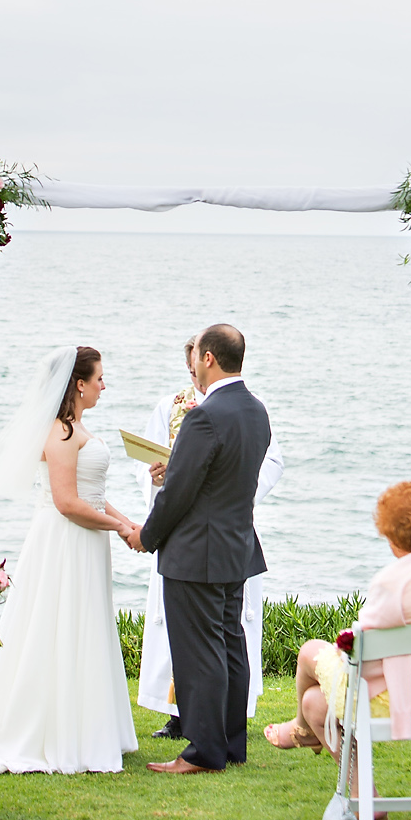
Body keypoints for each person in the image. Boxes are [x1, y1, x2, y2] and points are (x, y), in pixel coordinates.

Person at [265, 479, 411, 819]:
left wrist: (341, 647)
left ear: (392, 537)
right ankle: (367, 800)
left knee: (309, 651)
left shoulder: (395, 580)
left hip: (402, 698)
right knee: (314, 702)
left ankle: (302, 730)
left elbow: (359, 647)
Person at [0, 345, 138, 774]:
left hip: (87, 539)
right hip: (65, 540)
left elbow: (94, 495)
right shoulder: (61, 433)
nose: (105, 385)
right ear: (79, 384)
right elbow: (67, 502)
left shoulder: (77, 428)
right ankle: (48, 730)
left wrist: (127, 523)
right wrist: (118, 528)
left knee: (84, 625)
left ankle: (89, 725)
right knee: (57, 625)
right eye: (99, 378)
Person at [126, 324, 272, 774]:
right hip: (236, 548)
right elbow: (225, 480)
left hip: (196, 554)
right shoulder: (255, 410)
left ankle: (203, 752)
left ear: (207, 357)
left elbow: (179, 492)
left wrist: (145, 536)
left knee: (199, 652)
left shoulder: (204, 416)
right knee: (231, 645)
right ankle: (231, 744)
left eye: (196, 359)